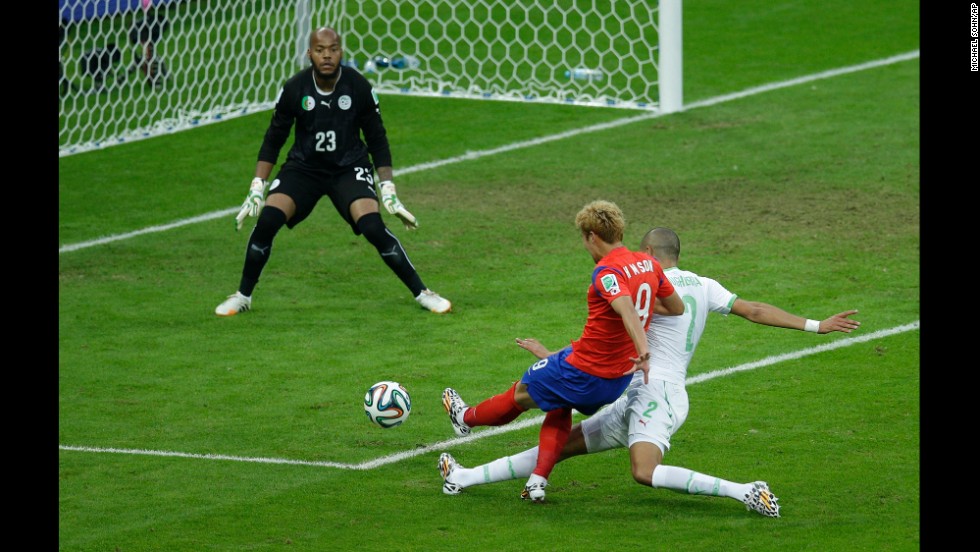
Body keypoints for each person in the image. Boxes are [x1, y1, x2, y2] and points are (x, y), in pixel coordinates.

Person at [438, 227, 861, 516]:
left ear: (651, 256)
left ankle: (745, 491)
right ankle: (462, 477)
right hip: (640, 392)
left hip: (655, 393)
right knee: (561, 445)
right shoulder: (705, 284)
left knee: (644, 471)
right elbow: (754, 310)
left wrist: (554, 354)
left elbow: (609, 337)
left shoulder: (645, 285)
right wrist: (815, 324)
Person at [442, 202, 685, 502]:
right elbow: (676, 307)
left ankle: (465, 417)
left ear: (592, 236)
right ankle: (537, 481)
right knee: (559, 402)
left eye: (584, 240)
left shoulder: (606, 272)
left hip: (583, 371)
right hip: (615, 381)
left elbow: (627, 312)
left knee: (521, 393)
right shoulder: (649, 265)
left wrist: (644, 350)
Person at [215, 26, 451, 316]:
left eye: (333, 49)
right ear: (309, 53)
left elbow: (377, 138)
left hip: (349, 168)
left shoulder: (358, 87)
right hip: (304, 168)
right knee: (267, 221)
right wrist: (256, 186)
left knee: (373, 227)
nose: (327, 55)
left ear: (341, 51)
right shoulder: (294, 89)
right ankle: (242, 296)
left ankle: (423, 292)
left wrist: (388, 189)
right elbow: (274, 138)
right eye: (320, 50)